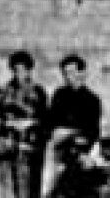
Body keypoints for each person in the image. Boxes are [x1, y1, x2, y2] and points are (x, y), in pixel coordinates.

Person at [40, 55, 103, 198]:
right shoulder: (60, 95)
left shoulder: (91, 99)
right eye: (65, 73)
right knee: (50, 188)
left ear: (82, 73)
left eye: (72, 72)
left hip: (81, 147)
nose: (69, 77)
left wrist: (81, 149)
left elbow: (92, 129)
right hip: (58, 146)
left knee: (81, 183)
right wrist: (52, 134)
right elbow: (50, 120)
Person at [0, 51, 48, 198]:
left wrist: (30, 124)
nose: (18, 74)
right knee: (3, 191)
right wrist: (7, 124)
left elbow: (46, 121)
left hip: (27, 148)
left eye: (22, 70)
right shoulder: (3, 92)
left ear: (29, 70)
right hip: (5, 147)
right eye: (15, 70)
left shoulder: (38, 93)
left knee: (25, 190)